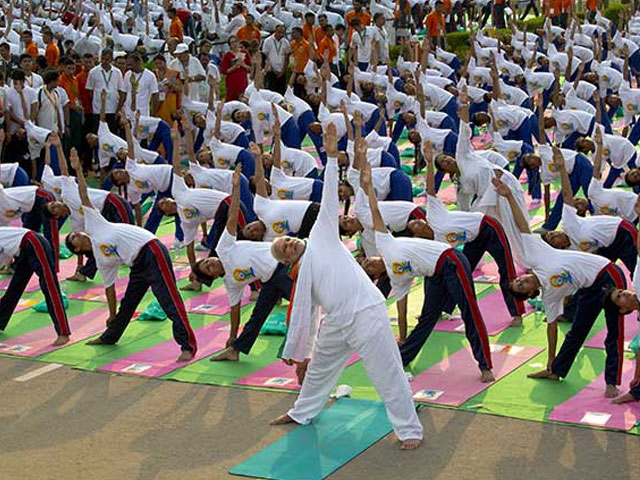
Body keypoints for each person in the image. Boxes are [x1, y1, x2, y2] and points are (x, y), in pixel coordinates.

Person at [268, 124, 423, 450]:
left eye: (287, 240)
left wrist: (332, 156)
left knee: (387, 374)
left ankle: (409, 431)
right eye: (284, 248)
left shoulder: (321, 235)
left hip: (366, 312)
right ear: (286, 261)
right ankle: (302, 412)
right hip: (337, 322)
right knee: (319, 372)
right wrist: (301, 353)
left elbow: (327, 198)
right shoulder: (301, 277)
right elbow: (305, 316)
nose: (290, 244)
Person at [494, 153, 627, 398]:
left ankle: (612, 382)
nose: (523, 280)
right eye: (521, 286)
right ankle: (556, 370)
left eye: (519, 279)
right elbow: (552, 328)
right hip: (589, 287)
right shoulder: (549, 297)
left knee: (614, 329)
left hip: (607, 273)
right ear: (532, 293)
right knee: (577, 331)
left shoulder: (535, 256)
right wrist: (550, 360)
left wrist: (510, 195)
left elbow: (522, 224)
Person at [65, 149, 197, 362]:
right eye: (74, 238)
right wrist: (110, 314)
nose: (77, 234)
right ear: (78, 250)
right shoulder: (101, 259)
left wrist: (78, 170)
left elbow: (84, 195)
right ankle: (110, 336)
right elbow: (109, 289)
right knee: (128, 303)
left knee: (168, 298)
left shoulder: (94, 224)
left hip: (151, 250)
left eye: (76, 233)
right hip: (137, 264)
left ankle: (187, 345)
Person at [220, 36, 251, 101]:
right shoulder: (227, 55)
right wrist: (235, 66)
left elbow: (250, 68)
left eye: (235, 41)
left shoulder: (244, 53)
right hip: (232, 81)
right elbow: (224, 71)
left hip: (243, 79)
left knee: (244, 96)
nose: (234, 44)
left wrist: (243, 65)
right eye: (232, 42)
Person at [262, 25, 291, 95]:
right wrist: (272, 69)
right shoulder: (268, 41)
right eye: (279, 32)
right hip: (271, 71)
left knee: (281, 92)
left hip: (282, 71)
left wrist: (283, 71)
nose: (281, 34)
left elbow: (287, 58)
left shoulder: (286, 42)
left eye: (282, 33)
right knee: (271, 91)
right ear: (275, 31)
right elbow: (265, 57)